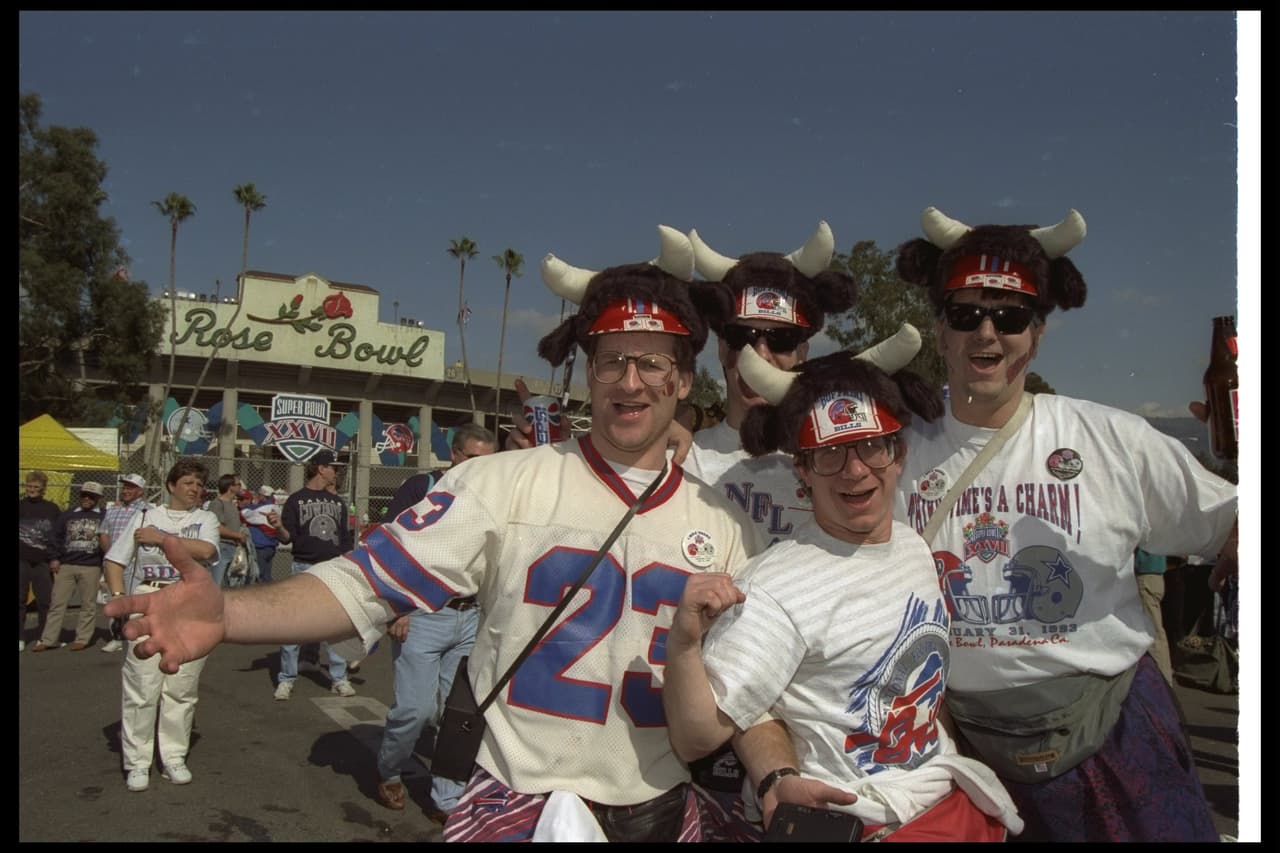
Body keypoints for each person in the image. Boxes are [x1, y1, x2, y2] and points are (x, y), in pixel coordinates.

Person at [106, 226, 763, 842]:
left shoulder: (725, 519)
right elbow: (364, 582)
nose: (630, 381)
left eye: (651, 363)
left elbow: (757, 681)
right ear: (587, 371)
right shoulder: (501, 484)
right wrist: (229, 612)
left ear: (682, 378)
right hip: (520, 799)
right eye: (612, 360)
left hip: (667, 806)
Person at [664, 332, 1022, 840]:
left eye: (871, 447)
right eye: (829, 454)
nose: (855, 471)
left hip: (949, 803)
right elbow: (696, 737)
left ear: (898, 454)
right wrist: (683, 645)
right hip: (863, 823)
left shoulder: (912, 547)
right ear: (803, 471)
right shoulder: (775, 587)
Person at [373, 423, 497, 821]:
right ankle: (389, 771)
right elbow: (389, 545)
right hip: (425, 614)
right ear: (456, 456)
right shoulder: (422, 488)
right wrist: (397, 608)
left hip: (471, 616)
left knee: (459, 715)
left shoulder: (495, 498)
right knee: (416, 710)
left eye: (489, 462)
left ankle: (447, 797)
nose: (483, 468)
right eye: (475, 459)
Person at [101, 459, 219, 792]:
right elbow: (114, 560)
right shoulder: (146, 516)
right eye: (188, 483)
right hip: (149, 600)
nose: (194, 489)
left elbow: (207, 549)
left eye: (199, 484)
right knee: (142, 684)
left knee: (182, 688)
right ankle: (138, 762)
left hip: (190, 608)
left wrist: (161, 538)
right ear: (170, 485)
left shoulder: (205, 518)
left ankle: (173, 757)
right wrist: (119, 596)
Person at [271, 451, 357, 700]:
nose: (336, 472)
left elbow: (344, 538)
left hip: (333, 568)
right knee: (294, 624)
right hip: (303, 567)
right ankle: (286, 678)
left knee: (337, 626)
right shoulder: (296, 500)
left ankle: (339, 678)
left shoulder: (338, 502)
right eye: (333, 468)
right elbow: (288, 537)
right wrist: (278, 526)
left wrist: (347, 564)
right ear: (321, 469)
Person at [31, 481, 105, 652]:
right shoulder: (68, 515)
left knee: (88, 605)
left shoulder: (104, 515)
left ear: (98, 498)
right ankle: (48, 639)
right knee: (57, 603)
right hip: (67, 565)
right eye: (84, 495)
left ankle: (82, 638)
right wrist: (54, 558)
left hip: (91, 566)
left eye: (91, 496)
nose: (86, 498)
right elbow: (54, 537)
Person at [97, 473, 152, 653]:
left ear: (140, 491)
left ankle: (137, 635)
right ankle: (117, 637)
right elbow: (104, 533)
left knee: (136, 600)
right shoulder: (113, 509)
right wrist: (112, 555)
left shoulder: (148, 510)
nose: (126, 490)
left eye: (131, 487)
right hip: (116, 563)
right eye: (125, 487)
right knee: (116, 599)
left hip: (137, 562)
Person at [19, 469, 62, 651]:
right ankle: (20, 638)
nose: (32, 489)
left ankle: (45, 636)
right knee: (20, 600)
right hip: (21, 560)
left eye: (36, 486)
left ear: (44, 488)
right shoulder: (20, 505)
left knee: (45, 601)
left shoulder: (52, 509)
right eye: (29, 486)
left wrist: (55, 558)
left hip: (43, 561)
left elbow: (58, 535)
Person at [1133, 548, 1174, 684]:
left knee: (1153, 632)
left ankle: (1163, 681)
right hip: (1153, 575)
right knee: (1152, 630)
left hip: (1146, 574)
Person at [207, 474, 248, 589]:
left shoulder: (232, 505)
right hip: (222, 548)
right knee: (216, 584)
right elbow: (217, 527)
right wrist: (237, 535)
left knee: (232, 586)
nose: (241, 487)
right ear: (231, 487)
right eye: (239, 484)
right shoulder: (217, 504)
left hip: (234, 548)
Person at [241, 486, 284, 583]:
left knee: (258, 574)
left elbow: (244, 514)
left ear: (263, 496)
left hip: (261, 546)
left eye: (259, 495)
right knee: (266, 575)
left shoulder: (263, 508)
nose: (257, 497)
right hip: (271, 545)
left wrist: (248, 505)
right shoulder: (276, 507)